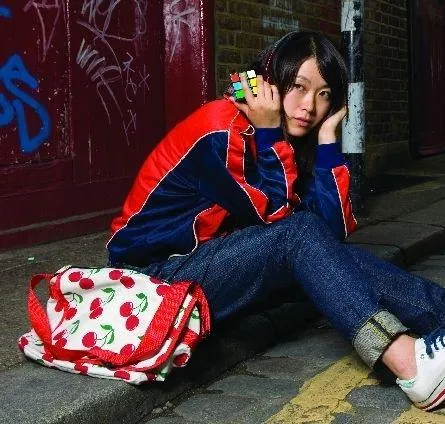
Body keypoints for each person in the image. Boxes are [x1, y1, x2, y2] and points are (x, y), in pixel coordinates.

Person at [106, 31, 445, 411]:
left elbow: (329, 235)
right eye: (298, 87)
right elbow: (274, 215)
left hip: (216, 266)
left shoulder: (290, 138)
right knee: (297, 234)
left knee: (325, 251)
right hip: (157, 280)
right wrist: (269, 131)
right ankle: (406, 361)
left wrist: (328, 140)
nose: (309, 106)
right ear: (268, 82)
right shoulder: (221, 127)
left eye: (324, 94)